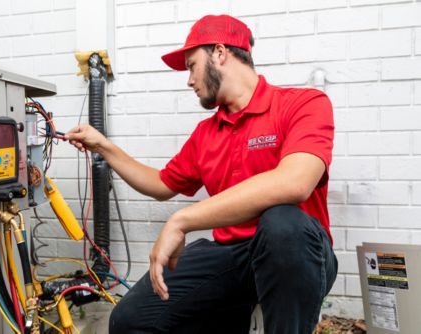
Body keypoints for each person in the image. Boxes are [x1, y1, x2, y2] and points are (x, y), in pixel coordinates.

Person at [66, 14, 338, 334]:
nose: (189, 79)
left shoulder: (302, 104)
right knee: (129, 320)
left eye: (191, 65)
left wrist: (181, 221)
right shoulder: (206, 133)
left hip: (295, 253)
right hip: (231, 257)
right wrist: (103, 147)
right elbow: (161, 184)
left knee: (281, 223)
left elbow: (295, 183)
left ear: (220, 53)